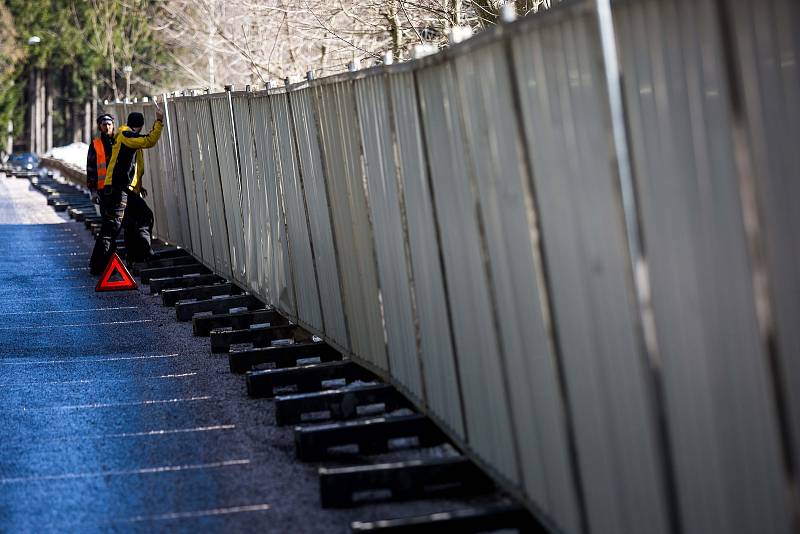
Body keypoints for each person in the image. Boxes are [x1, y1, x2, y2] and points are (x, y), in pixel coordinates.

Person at [89, 110, 163, 275]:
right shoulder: (126, 135)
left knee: (143, 216)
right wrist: (159, 122)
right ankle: (98, 266)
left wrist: (138, 186)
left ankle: (141, 255)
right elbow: (149, 140)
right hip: (117, 190)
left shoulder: (126, 136)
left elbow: (132, 168)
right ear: (140, 125)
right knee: (112, 228)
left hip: (124, 190)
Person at [86, 114, 115, 207]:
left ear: (113, 125)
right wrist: (93, 191)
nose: (107, 127)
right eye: (104, 124)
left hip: (119, 188)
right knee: (107, 218)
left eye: (109, 124)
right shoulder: (95, 145)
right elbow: (91, 169)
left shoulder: (120, 141)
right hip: (103, 190)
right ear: (100, 127)